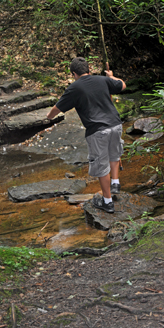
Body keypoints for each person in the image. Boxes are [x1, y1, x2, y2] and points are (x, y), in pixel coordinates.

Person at [47, 57, 126, 213]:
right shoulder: (102, 80)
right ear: (89, 70)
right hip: (116, 124)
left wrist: (48, 117)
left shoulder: (74, 88)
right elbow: (122, 85)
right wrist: (111, 77)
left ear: (74, 73)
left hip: (97, 130)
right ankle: (115, 182)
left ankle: (108, 202)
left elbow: (58, 108)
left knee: (101, 165)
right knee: (115, 153)